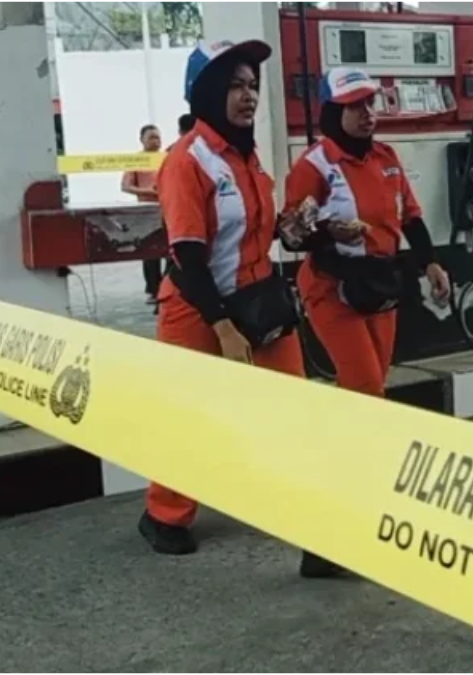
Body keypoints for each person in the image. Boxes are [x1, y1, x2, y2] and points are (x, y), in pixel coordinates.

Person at [138, 39, 308, 561]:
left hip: (259, 302)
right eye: (234, 85)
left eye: (252, 85)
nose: (248, 96)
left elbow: (250, 234)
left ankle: (317, 524)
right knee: (190, 418)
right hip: (197, 308)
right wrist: (224, 330)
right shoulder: (187, 161)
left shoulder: (247, 157)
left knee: (301, 411)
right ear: (206, 92)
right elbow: (188, 255)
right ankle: (164, 514)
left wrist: (289, 229)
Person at [284, 67, 451, 576]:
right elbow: (291, 232)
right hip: (333, 293)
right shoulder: (314, 165)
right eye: (354, 105)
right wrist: (324, 231)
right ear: (333, 112)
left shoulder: (387, 159)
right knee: (365, 397)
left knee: (372, 394)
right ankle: (333, 533)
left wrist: (432, 263)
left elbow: (412, 218)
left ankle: (352, 518)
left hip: (380, 289)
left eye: (370, 103)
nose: (365, 113)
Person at [122, 124, 164, 304]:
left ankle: (168, 288)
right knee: (150, 252)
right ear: (142, 140)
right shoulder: (136, 160)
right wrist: (147, 191)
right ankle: (153, 290)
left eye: (157, 137)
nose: (155, 141)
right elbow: (125, 186)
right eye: (151, 138)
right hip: (146, 211)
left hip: (168, 208)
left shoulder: (166, 158)